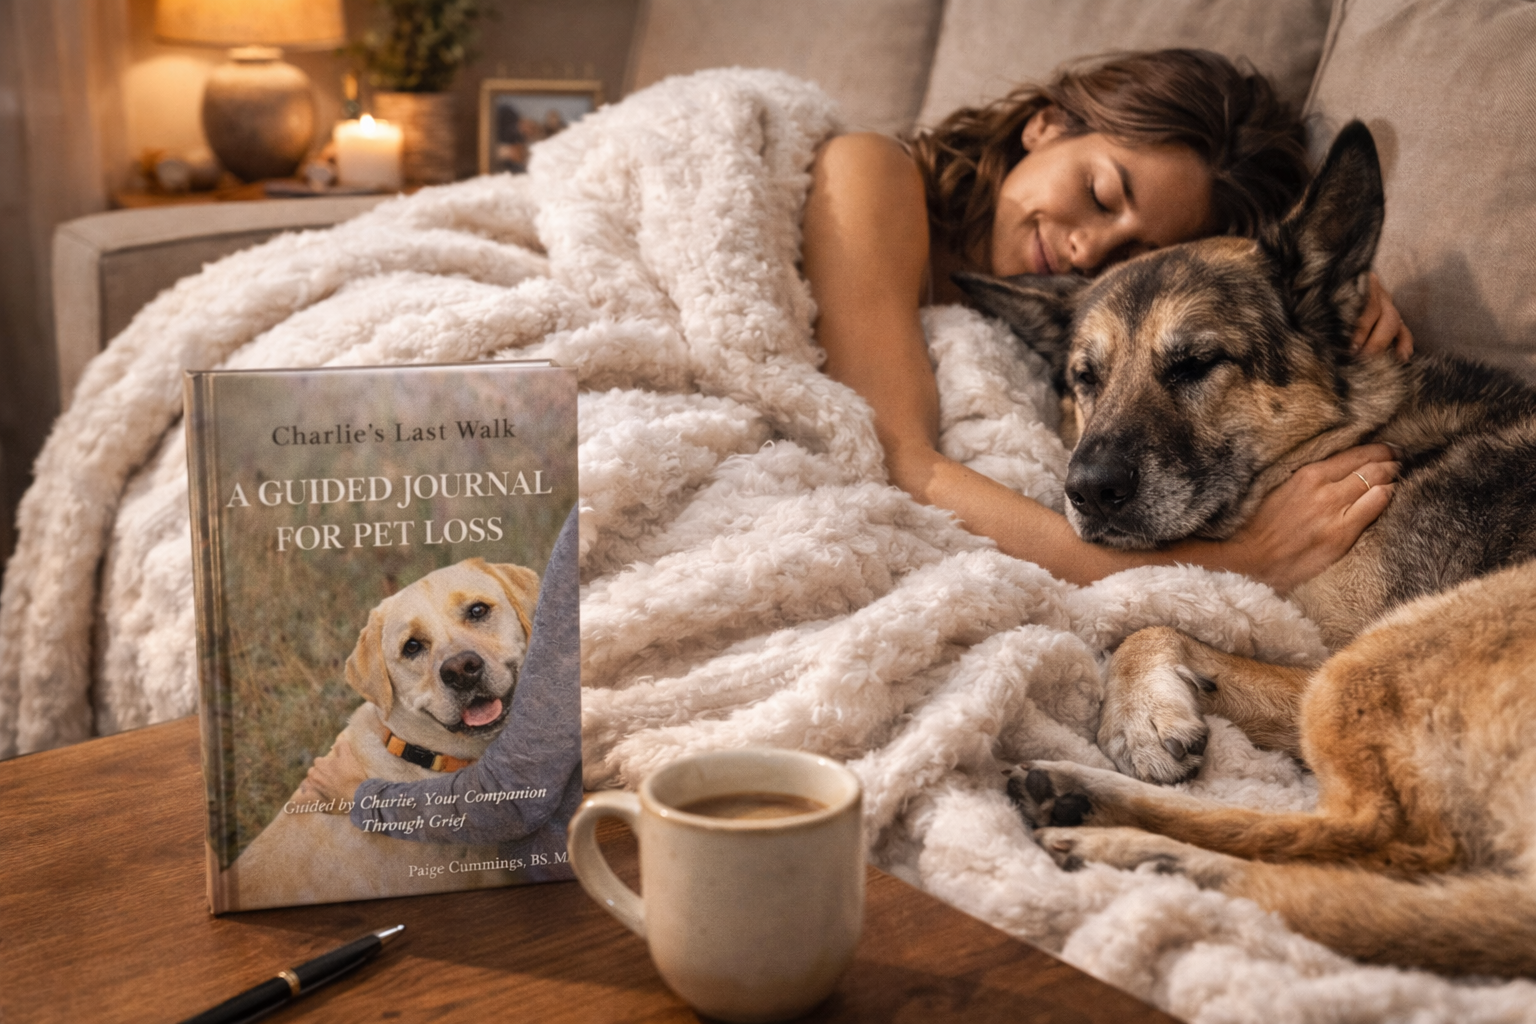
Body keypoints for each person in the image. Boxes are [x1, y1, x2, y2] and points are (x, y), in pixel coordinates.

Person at [802, 49, 1413, 594]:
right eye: (1100, 193)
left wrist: (1330, 291)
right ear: (1045, 123)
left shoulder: (1023, 326)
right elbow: (890, 458)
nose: (1086, 252)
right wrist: (1240, 563)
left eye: (1128, 258)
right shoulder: (869, 169)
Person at [301, 506, 583, 880]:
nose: (457, 663)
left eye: (478, 612)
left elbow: (512, 802)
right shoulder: (350, 769)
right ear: (381, 685)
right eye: (414, 647)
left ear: (523, 610)